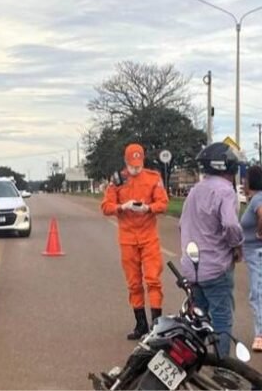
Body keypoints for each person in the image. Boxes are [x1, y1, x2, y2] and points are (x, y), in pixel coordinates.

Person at [180, 142, 245, 358]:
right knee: (221, 319)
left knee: (198, 319)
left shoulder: (195, 191)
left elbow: (183, 224)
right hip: (216, 268)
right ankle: (221, 368)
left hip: (192, 268)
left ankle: (195, 363)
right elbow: (231, 225)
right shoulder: (225, 191)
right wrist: (236, 245)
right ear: (230, 168)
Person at [101, 143, 169, 340]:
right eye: (132, 166)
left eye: (138, 165)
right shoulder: (117, 180)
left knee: (154, 281)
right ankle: (141, 325)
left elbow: (163, 203)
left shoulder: (153, 177)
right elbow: (106, 207)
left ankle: (156, 326)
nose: (135, 169)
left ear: (143, 161)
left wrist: (148, 208)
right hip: (128, 238)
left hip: (149, 238)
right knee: (134, 283)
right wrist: (122, 207)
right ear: (126, 162)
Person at [241, 165, 262, 352]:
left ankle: (260, 334)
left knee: (257, 293)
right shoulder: (255, 198)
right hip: (253, 252)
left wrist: (260, 233)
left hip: (256, 252)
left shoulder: (258, 198)